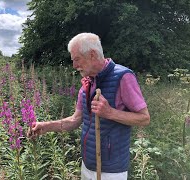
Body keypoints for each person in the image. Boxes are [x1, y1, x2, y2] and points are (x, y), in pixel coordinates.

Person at [27, 32, 150, 179]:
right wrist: (46, 126)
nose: (74, 65)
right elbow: (75, 120)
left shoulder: (123, 77)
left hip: (111, 171)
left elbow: (144, 118)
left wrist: (110, 112)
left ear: (92, 54)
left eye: (77, 59)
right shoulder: (87, 83)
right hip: (87, 165)